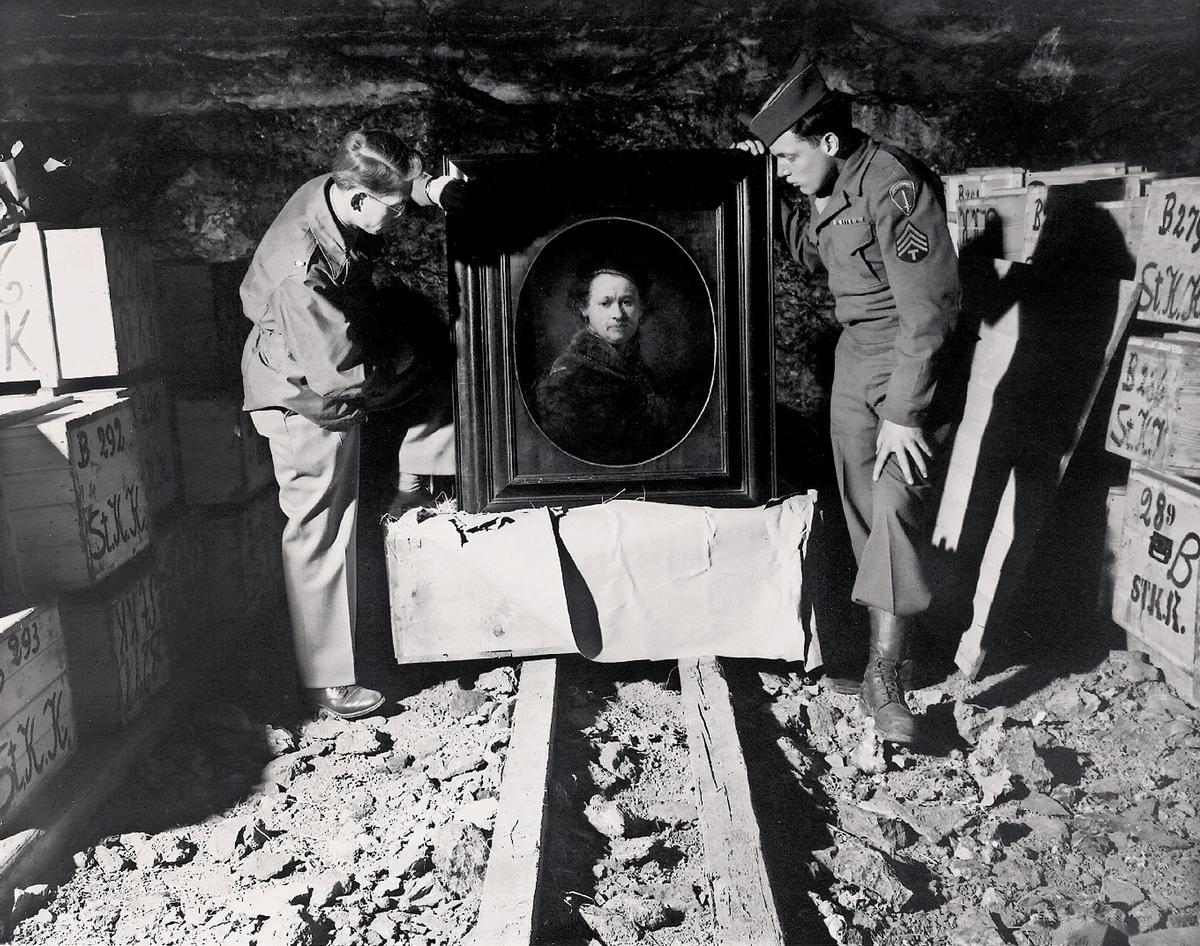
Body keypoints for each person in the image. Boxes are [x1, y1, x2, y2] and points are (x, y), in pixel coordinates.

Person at [737, 54, 960, 744]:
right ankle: (874, 659)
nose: (784, 170)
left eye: (787, 157)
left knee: (894, 505)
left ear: (827, 142)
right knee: (860, 510)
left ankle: (888, 677)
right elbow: (809, 254)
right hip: (854, 357)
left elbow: (931, 311)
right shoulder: (829, 185)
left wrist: (904, 411)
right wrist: (759, 183)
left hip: (904, 361)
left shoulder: (895, 186)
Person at [240, 128, 462, 719]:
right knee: (319, 526)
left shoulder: (340, 190)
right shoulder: (303, 266)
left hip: (318, 363)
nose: (396, 220)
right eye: (391, 210)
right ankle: (326, 681)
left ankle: (346, 651)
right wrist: (408, 382)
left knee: (338, 520)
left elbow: (391, 182)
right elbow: (341, 375)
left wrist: (430, 193)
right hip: (302, 393)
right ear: (358, 199)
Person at [531, 260, 675, 465]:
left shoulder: (647, 376)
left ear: (641, 309)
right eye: (605, 303)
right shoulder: (563, 381)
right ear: (584, 308)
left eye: (627, 302)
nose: (617, 314)